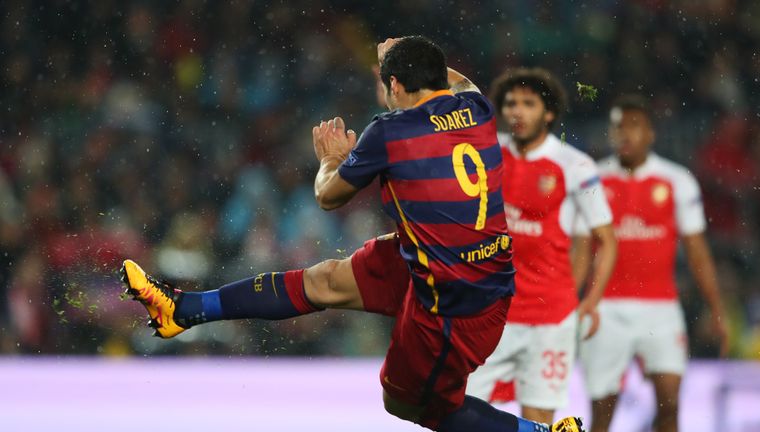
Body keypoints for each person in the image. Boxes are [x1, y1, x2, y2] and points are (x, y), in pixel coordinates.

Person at [120, 36, 585, 432]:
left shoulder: (391, 131)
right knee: (326, 280)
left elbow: (328, 196)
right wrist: (404, 53)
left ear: (396, 85)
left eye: (386, 83)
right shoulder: (477, 108)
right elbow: (460, 80)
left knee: (408, 404)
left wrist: (329, 158)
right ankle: (184, 309)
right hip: (440, 263)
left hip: (455, 303)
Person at [465, 68, 617, 424]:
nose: (518, 111)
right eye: (511, 103)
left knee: (539, 423)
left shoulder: (576, 165)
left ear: (548, 113)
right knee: (459, 415)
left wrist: (590, 302)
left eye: (529, 104)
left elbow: (606, 240)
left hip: (549, 319)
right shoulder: (487, 153)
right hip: (489, 313)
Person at [573, 94, 730, 432]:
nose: (625, 134)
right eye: (618, 127)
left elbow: (697, 251)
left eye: (634, 126)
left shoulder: (677, 180)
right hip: (606, 309)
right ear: (610, 133)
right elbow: (582, 250)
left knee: (670, 404)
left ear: (651, 133)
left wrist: (716, 308)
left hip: (660, 308)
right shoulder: (592, 181)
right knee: (602, 411)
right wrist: (572, 301)